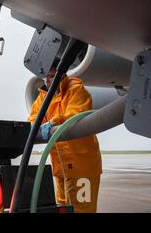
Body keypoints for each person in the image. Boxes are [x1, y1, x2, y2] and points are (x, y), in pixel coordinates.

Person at [28, 59, 102, 213]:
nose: (49, 80)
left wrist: (52, 124)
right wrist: (40, 128)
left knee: (83, 209)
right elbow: (33, 121)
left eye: (53, 76)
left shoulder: (76, 90)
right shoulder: (43, 98)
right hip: (61, 168)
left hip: (82, 170)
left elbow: (74, 116)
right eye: (47, 76)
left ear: (62, 75)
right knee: (63, 208)